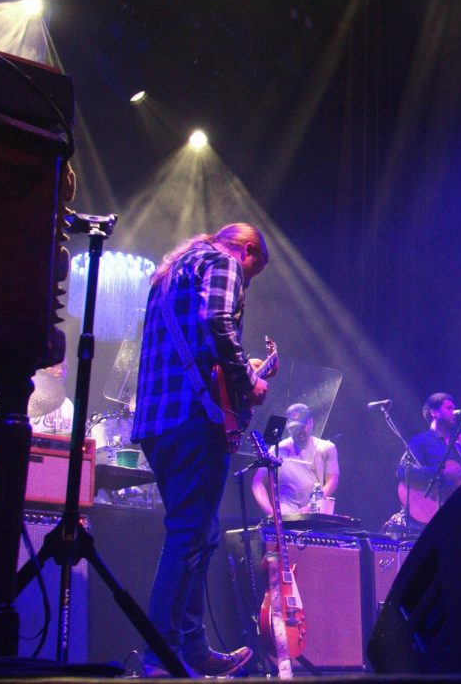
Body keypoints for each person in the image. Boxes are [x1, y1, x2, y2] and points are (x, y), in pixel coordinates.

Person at [130, 222, 269, 678]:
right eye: (252, 274)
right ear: (247, 251)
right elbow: (217, 321)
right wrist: (248, 381)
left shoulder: (171, 274)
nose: (246, 281)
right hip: (194, 421)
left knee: (201, 533)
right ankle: (162, 656)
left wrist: (231, 369)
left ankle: (191, 647)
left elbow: (194, 338)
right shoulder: (223, 261)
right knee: (188, 536)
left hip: (157, 423)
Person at [251, 403, 340, 515]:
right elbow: (257, 482)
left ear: (311, 422)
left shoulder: (326, 447)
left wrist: (311, 505)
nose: (298, 432)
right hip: (286, 514)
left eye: (302, 427)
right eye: (294, 428)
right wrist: (271, 513)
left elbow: (332, 482)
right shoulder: (277, 450)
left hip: (316, 512)